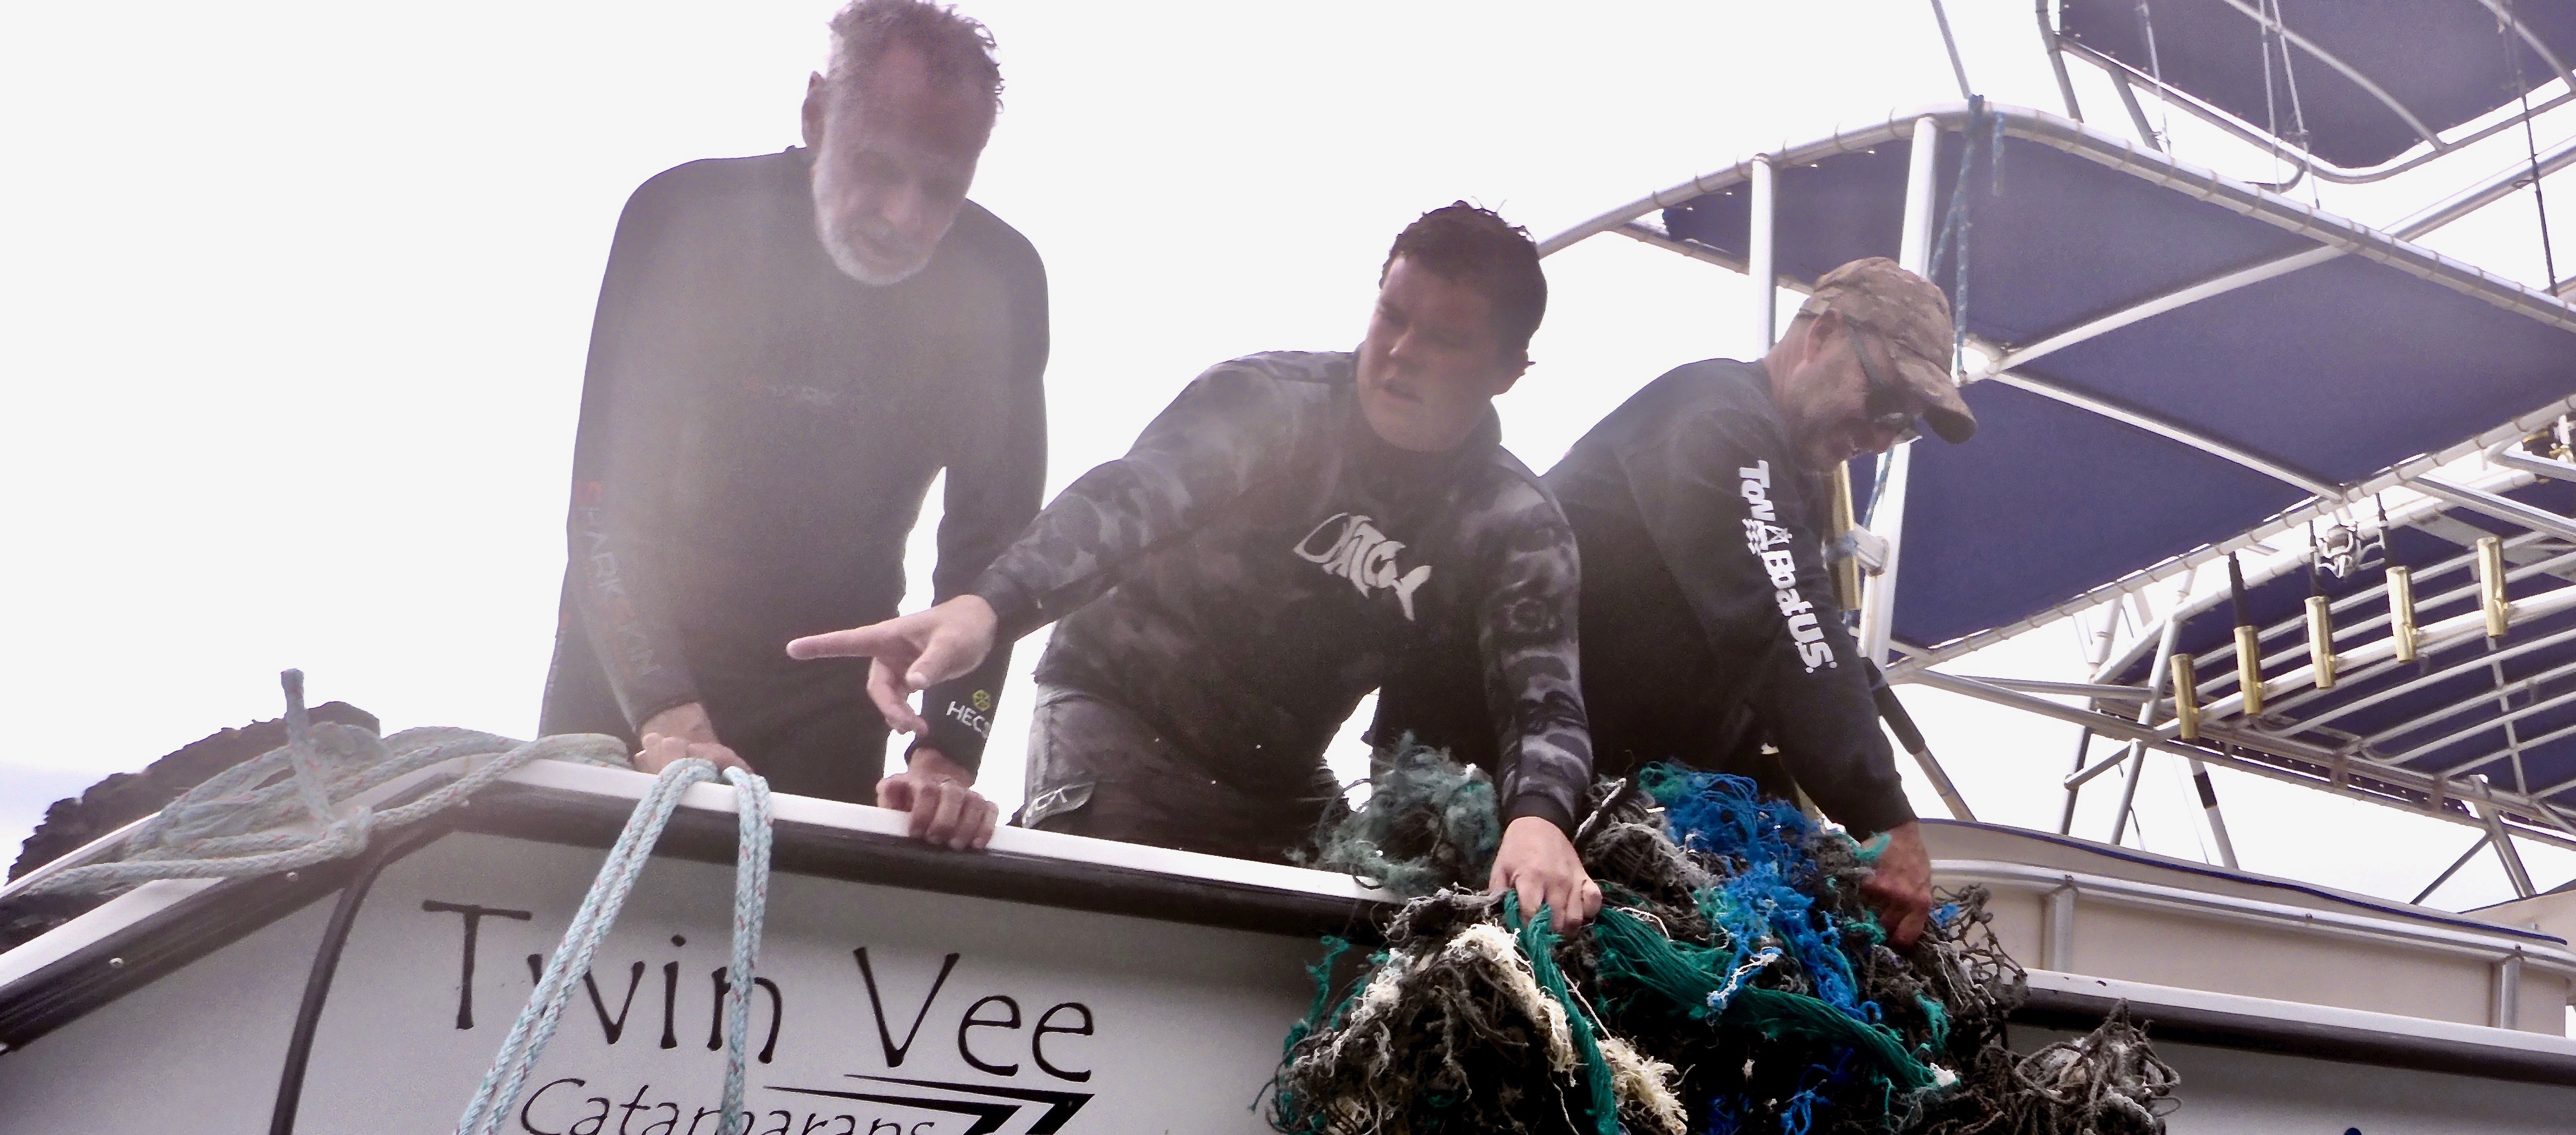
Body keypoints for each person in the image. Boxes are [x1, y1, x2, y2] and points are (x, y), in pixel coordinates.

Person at [787, 205, 1600, 931]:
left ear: (1508, 372)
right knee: (1118, 920)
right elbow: (1123, 502)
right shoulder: (1269, 404)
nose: (1401, 353)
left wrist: (1538, 818)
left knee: (1365, 940)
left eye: (1446, 339)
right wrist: (986, 608)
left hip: (1278, 779)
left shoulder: (1516, 526)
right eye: (1391, 315)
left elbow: (1544, 702)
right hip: (1119, 712)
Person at [542, 0, 1046, 843]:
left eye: (942, 187)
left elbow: (990, 552)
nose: (903, 217)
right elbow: (604, 501)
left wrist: (948, 751)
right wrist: (671, 719)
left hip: (827, 694)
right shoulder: (687, 218)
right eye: (877, 169)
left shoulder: (1000, 283)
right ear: (816, 115)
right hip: (632, 674)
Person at [1532, 256, 1974, 947]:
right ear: (1822, 334)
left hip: (1613, 789)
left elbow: (1793, 638)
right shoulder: (1718, 417)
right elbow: (1783, 624)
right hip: (1505, 769)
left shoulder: (1780, 468)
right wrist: (1885, 819)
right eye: (1886, 400)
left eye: (1905, 425)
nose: (1883, 436)